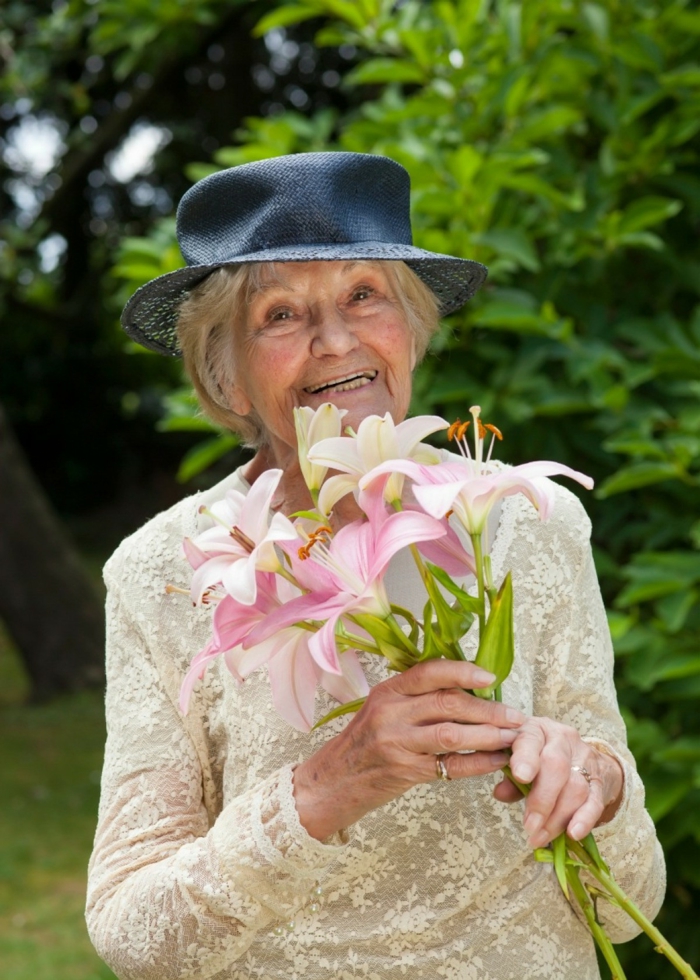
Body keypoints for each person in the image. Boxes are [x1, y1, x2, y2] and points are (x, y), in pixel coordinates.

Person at [86, 152, 665, 980]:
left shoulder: (528, 523)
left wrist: (599, 788)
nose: (336, 342)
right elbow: (131, 933)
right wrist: (327, 786)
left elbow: (627, 901)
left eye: (365, 295)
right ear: (229, 376)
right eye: (279, 315)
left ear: (411, 329)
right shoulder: (161, 573)